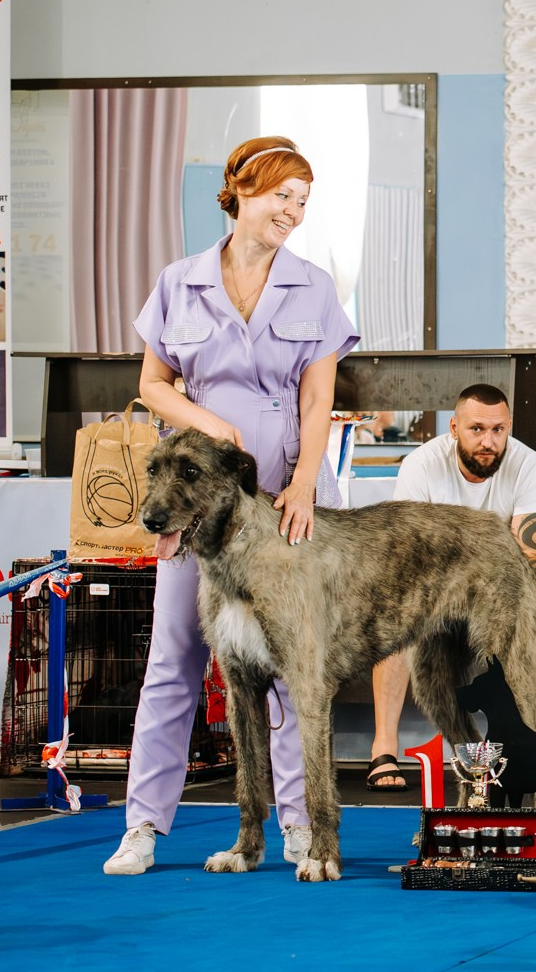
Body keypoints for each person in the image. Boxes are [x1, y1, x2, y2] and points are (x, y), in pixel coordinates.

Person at [105, 137, 358, 876]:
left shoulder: (312, 284)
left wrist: (308, 478)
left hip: (283, 497)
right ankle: (144, 825)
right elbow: (153, 383)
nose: (293, 211)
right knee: (174, 657)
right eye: (283, 194)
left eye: (304, 201)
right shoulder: (179, 282)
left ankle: (298, 826)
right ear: (242, 190)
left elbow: (319, 393)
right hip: (198, 499)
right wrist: (208, 422)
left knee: (290, 663)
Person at [364, 385, 536, 789]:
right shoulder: (422, 464)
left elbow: (530, 558)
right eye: (477, 429)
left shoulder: (526, 463)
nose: (488, 441)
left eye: (498, 430)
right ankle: (383, 747)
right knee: (392, 604)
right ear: (455, 427)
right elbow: (408, 556)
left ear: (508, 427)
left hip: (497, 588)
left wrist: (486, 593)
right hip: (435, 587)